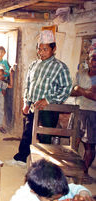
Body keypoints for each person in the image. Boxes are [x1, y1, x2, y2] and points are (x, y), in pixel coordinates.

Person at [7, 30, 72, 167]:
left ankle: (44, 166)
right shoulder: (33, 65)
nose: (41, 52)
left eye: (45, 49)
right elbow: (28, 85)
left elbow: (66, 88)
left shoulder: (60, 67)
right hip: (32, 107)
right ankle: (21, 159)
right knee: (27, 133)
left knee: (45, 137)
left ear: (54, 49)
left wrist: (48, 99)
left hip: (48, 109)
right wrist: (26, 102)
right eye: (39, 49)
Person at [70, 44, 96, 183]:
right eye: (93, 58)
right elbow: (71, 91)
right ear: (88, 59)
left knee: (89, 145)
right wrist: (85, 91)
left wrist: (80, 89)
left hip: (93, 113)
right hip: (78, 110)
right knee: (73, 142)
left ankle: (83, 172)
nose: (94, 62)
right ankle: (73, 170)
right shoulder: (80, 74)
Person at [11, 159, 94, 201]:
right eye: (52, 200)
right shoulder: (21, 198)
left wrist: (84, 193)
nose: (57, 200)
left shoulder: (55, 189)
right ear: (34, 192)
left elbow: (74, 188)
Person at [0, 46, 13, 133]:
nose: (0, 53)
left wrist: (8, 74)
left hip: (1, 87)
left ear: (4, 53)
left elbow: (6, 73)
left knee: (1, 107)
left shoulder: (5, 62)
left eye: (2, 52)